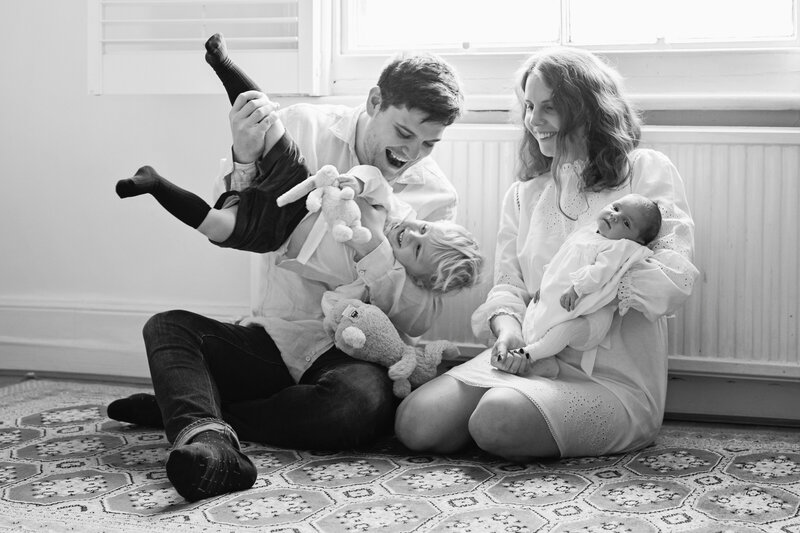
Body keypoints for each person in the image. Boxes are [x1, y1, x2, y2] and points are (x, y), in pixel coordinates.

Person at [107, 34, 468, 501]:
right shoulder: (301, 127)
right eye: (404, 134)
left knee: (355, 407)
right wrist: (244, 154)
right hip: (277, 335)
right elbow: (239, 223)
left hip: (352, 353)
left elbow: (418, 319)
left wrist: (374, 241)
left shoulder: (436, 198)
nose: (412, 155)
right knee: (168, 329)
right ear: (375, 101)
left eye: (429, 144)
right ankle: (212, 446)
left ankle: (196, 410)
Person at [395, 47, 699, 462]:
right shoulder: (525, 195)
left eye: (550, 108)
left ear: (587, 109)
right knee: (415, 422)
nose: (533, 121)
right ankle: (516, 414)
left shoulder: (644, 172)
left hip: (610, 378)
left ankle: (517, 420)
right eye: (530, 106)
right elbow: (507, 286)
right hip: (531, 359)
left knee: (495, 419)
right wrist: (509, 332)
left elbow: (671, 282)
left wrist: (593, 278)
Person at [515, 192, 662, 378]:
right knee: (536, 315)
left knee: (563, 329)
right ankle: (545, 362)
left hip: (590, 319)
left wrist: (577, 288)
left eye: (626, 223)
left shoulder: (617, 247)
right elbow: (560, 261)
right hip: (565, 299)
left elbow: (600, 273)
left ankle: (530, 354)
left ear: (636, 240)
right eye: (615, 208)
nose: (615, 216)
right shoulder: (586, 233)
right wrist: (544, 284)